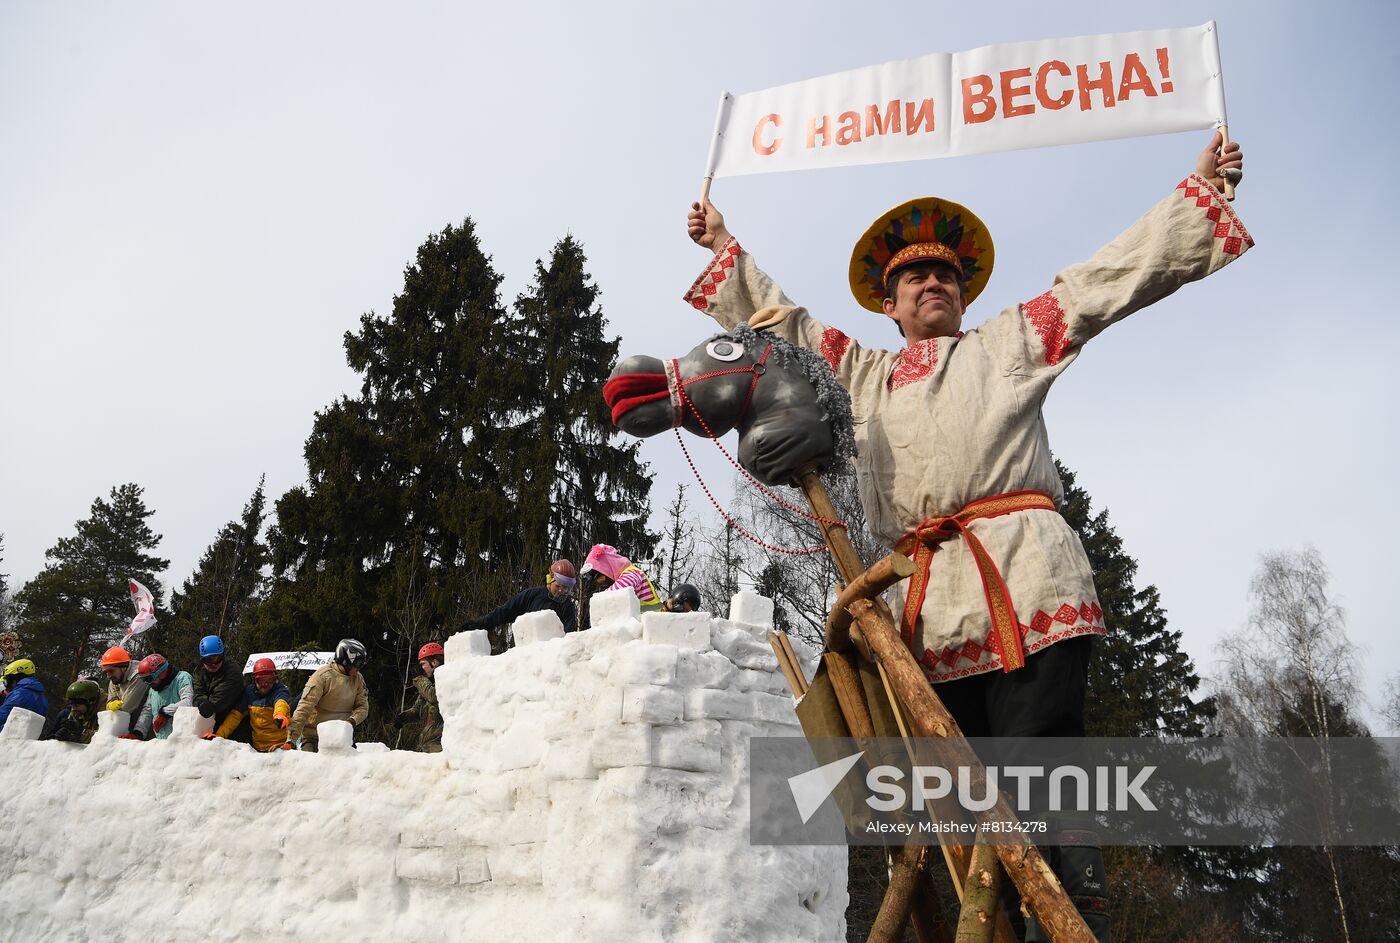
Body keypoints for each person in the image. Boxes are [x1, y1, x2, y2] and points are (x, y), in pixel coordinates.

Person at [685, 133, 1247, 942]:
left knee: (1038, 760)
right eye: (915, 276)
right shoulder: (863, 375)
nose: (933, 282)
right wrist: (722, 249)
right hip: (928, 608)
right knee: (962, 794)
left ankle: (1074, 917)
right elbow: (786, 328)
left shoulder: (1009, 342)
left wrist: (1198, 198)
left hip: (1028, 580)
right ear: (890, 304)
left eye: (945, 273)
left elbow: (1103, 281)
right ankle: (1000, 924)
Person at [287, 638, 370, 752]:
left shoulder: (358, 679)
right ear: (346, 660)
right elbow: (304, 707)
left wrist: (351, 721)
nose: (359, 668)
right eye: (358, 663)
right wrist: (291, 739)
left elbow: (363, 706)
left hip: (341, 738)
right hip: (315, 736)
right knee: (311, 762)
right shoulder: (322, 677)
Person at [462, 559, 579, 639]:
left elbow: (568, 636)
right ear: (549, 580)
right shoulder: (531, 596)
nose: (561, 591)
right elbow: (505, 611)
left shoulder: (568, 607)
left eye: (566, 589)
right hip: (525, 655)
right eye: (558, 586)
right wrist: (480, 624)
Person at [209, 658, 292, 752]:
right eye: (261, 680)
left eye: (270, 680)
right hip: (257, 747)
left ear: (275, 679)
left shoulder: (280, 690)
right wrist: (219, 735)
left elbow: (281, 703)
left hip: (280, 747)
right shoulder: (249, 693)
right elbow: (235, 716)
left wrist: (280, 714)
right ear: (254, 680)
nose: (265, 684)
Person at [394, 642, 444, 753]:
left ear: (434, 662)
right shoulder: (429, 685)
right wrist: (404, 717)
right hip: (427, 747)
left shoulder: (446, 680)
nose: (421, 668)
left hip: (440, 748)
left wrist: (419, 678)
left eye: (423, 664)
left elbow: (433, 697)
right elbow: (417, 710)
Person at [579, 544, 662, 612]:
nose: (602, 583)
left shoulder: (632, 573)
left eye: (600, 578)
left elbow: (615, 592)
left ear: (608, 568)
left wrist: (597, 600)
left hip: (652, 625)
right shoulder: (629, 573)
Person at [135, 653, 194, 741]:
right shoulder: (153, 689)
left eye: (148, 679)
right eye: (143, 680)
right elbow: (147, 711)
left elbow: (188, 702)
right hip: (162, 742)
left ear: (162, 673)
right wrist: (138, 732)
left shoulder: (182, 678)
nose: (147, 683)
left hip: (183, 741)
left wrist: (165, 712)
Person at [192, 635, 243, 732]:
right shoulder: (199, 671)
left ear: (223, 656)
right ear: (202, 659)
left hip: (234, 722)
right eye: (208, 660)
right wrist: (201, 702)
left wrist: (207, 704)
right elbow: (197, 692)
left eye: (218, 659)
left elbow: (218, 701)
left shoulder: (232, 671)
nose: (214, 664)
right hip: (211, 723)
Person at [99, 645, 150, 738]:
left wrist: (114, 706)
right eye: (106, 672)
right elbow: (111, 701)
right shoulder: (115, 678)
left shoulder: (139, 675)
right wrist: (110, 704)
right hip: (130, 725)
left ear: (124, 667)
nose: (108, 676)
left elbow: (126, 707)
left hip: (147, 726)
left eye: (111, 671)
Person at [43, 679, 104, 744]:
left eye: (77, 705)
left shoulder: (105, 713)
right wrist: (65, 735)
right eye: (71, 705)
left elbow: (103, 739)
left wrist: (80, 732)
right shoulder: (75, 711)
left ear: (91, 701)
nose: (73, 709)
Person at [0, 659, 48, 734]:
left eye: (7, 681)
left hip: (8, 737)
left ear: (16, 678)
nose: (6, 686)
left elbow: (2, 717)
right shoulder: (41, 696)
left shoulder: (19, 694)